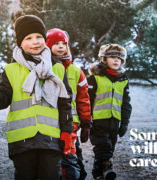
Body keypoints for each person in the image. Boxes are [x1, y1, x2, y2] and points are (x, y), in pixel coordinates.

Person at [0, 15, 73, 180]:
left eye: (39, 37)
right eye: (28, 38)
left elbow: (65, 103)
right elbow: (0, 101)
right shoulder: (11, 70)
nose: (35, 41)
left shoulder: (57, 68)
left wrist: (67, 132)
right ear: (20, 43)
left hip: (51, 139)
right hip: (22, 141)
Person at [46, 28, 92, 180]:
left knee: (70, 156)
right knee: (57, 158)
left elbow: (83, 99)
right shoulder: (45, 68)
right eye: (56, 43)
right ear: (47, 46)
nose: (60, 47)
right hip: (49, 122)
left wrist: (86, 122)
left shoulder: (76, 71)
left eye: (63, 43)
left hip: (71, 124)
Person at [87, 44, 132, 180]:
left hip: (114, 122)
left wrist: (124, 123)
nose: (116, 60)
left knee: (108, 149)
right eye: (112, 57)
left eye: (119, 58)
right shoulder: (95, 78)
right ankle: (108, 167)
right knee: (104, 147)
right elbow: (87, 100)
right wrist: (86, 120)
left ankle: (98, 172)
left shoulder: (123, 80)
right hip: (97, 122)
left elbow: (126, 104)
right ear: (104, 59)